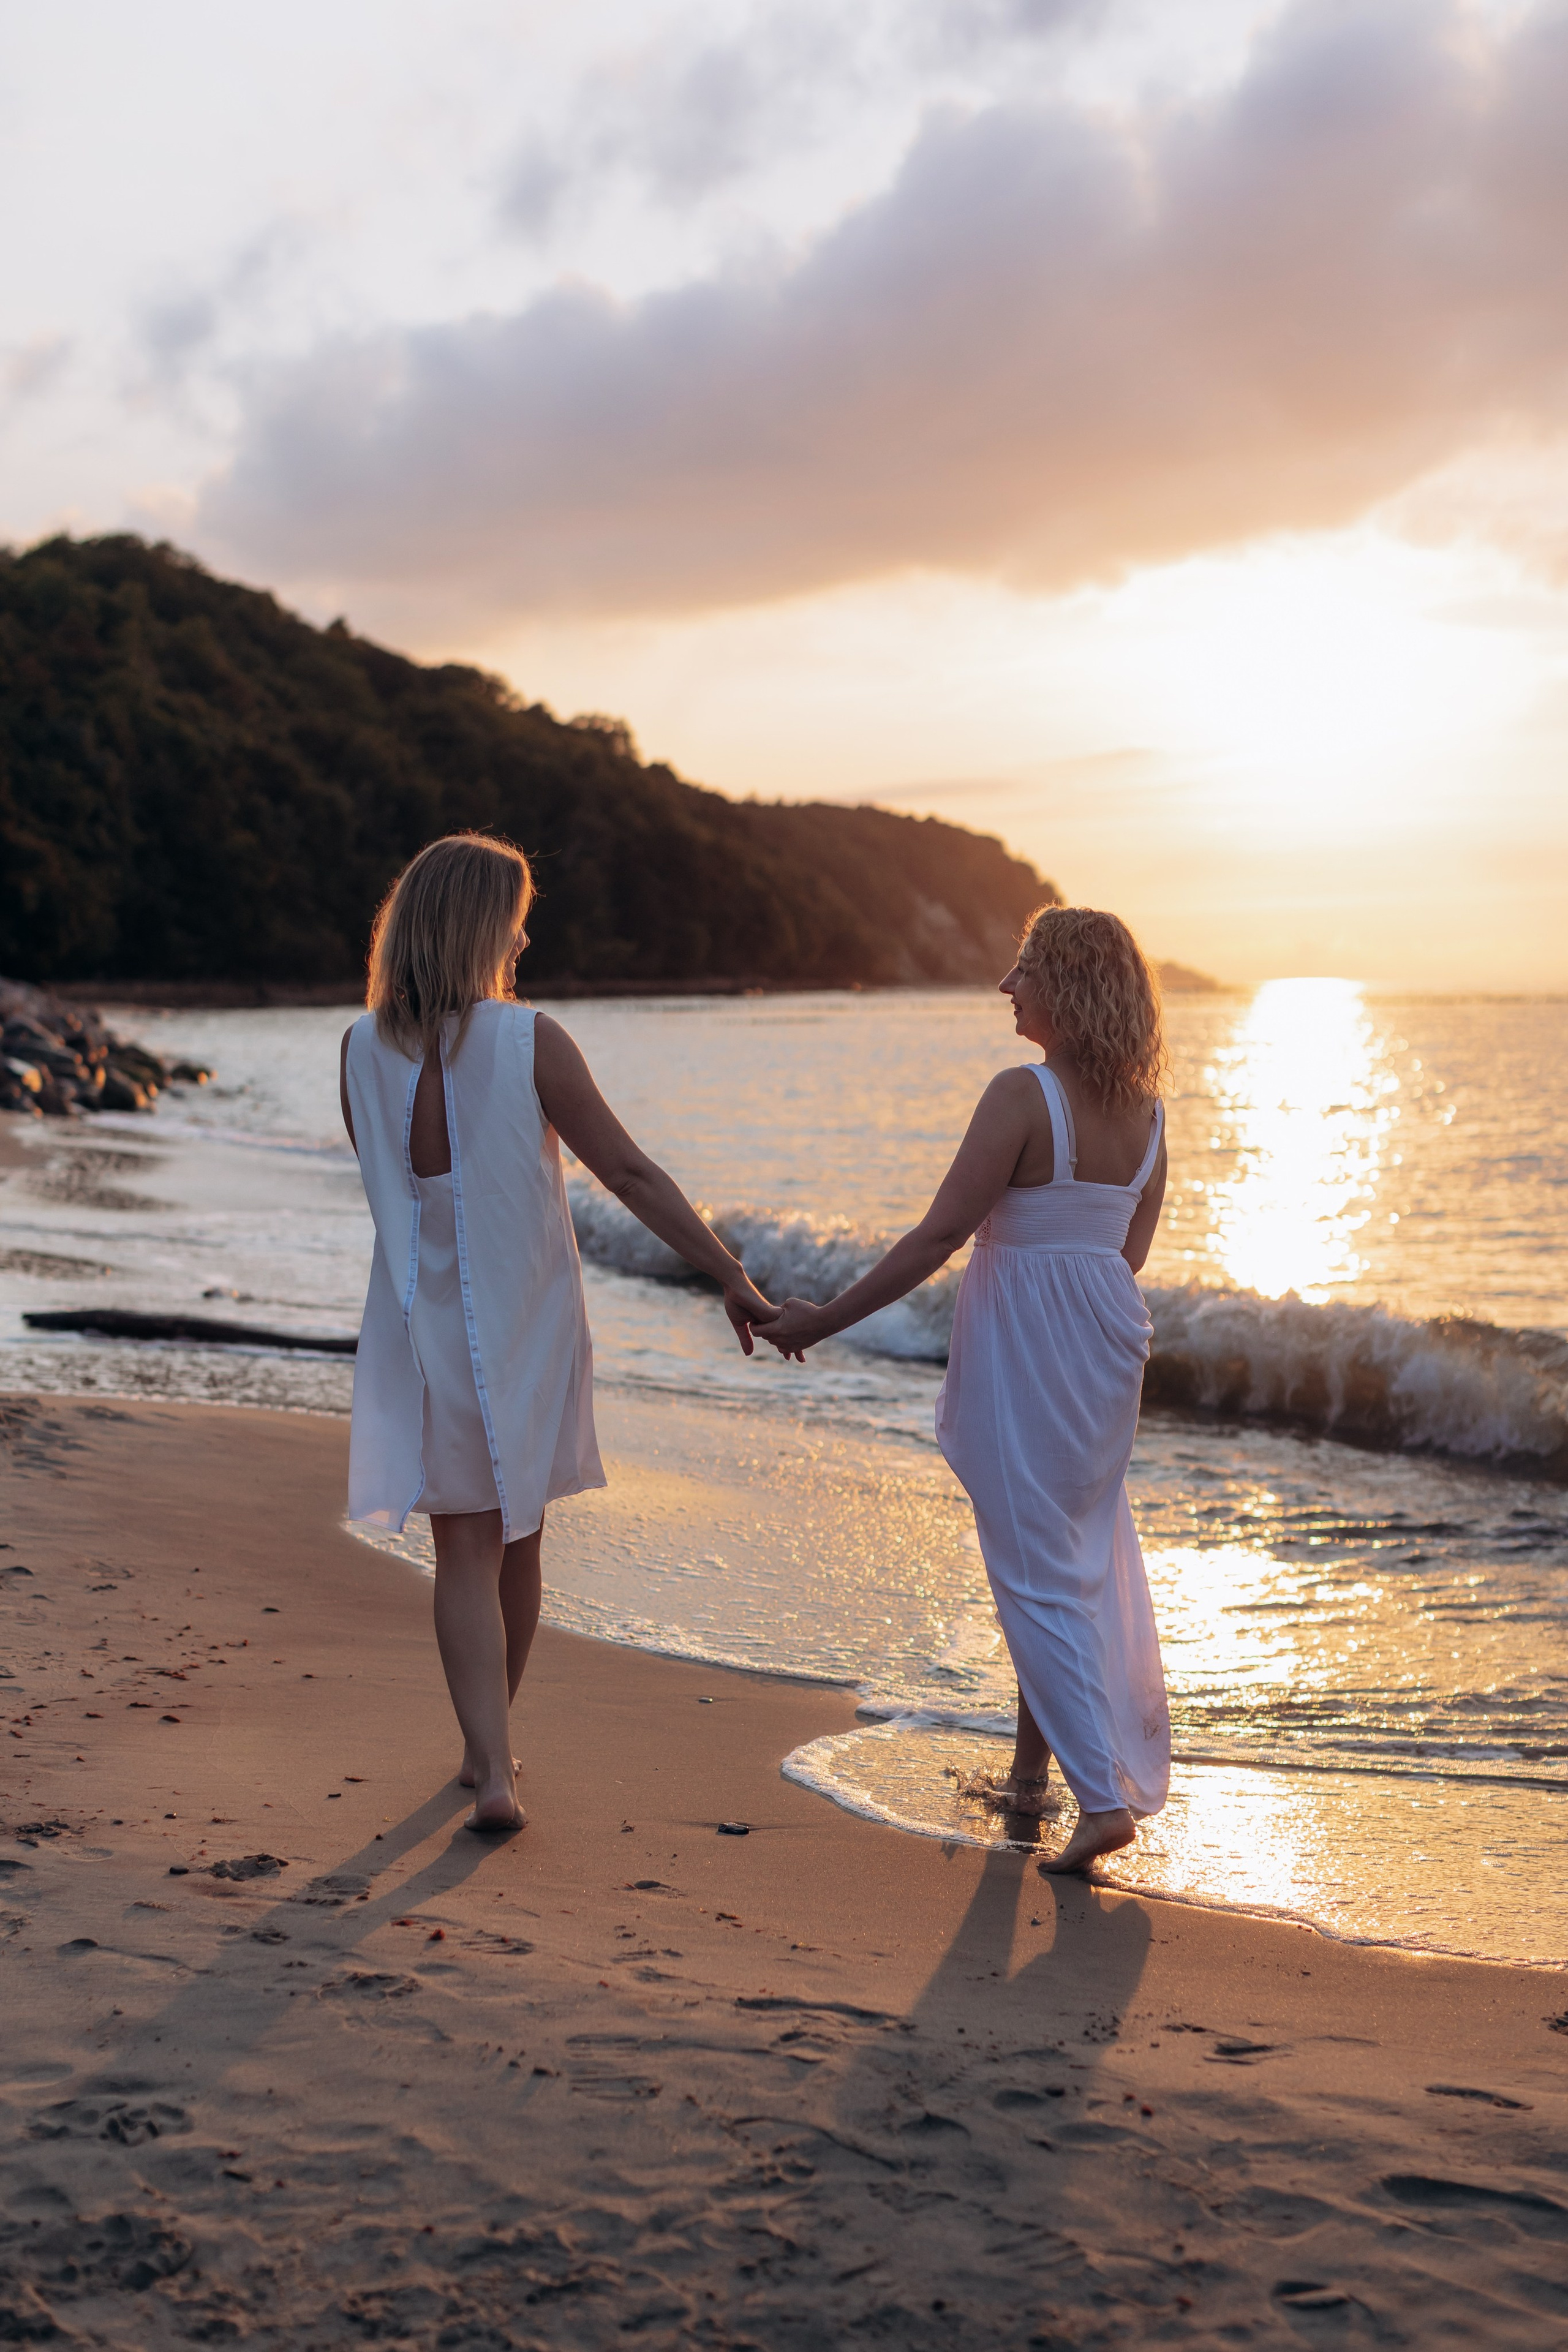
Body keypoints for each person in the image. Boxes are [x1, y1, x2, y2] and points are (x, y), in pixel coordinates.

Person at [339, 832, 775, 1832]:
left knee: (463, 1547)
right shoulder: (530, 1037)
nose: (528, 932)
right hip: (523, 1312)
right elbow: (629, 1176)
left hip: (419, 1315)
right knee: (520, 1530)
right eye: (517, 913)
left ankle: (488, 1760)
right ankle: (489, 1760)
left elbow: (389, 1186)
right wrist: (731, 1272)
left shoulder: (362, 1048)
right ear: (484, 923)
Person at [759, 906, 1170, 1875]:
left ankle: (1102, 1800)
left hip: (1028, 1339)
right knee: (1069, 1553)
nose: (1005, 985)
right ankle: (1036, 1777)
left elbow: (941, 1235)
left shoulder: (1023, 1096)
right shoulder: (1150, 1115)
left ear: (1066, 986)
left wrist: (824, 1320)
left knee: (1032, 1566)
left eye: (1022, 966)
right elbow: (1131, 1251)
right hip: (1107, 1341)